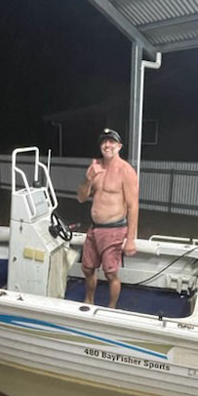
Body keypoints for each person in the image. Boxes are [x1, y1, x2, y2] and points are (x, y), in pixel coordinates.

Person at [76, 128, 139, 308]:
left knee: (110, 273)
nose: (107, 145)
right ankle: (89, 300)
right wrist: (88, 179)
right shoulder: (95, 168)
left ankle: (111, 308)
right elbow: (81, 198)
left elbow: (133, 206)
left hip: (114, 230)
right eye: (104, 142)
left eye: (111, 142)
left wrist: (131, 240)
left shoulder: (125, 171)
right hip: (94, 229)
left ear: (119, 146)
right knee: (87, 269)